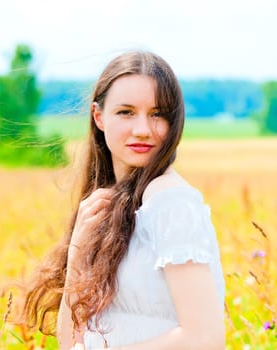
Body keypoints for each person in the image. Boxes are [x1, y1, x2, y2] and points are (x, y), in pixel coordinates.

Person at [21, 51, 225, 349]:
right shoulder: (104, 207)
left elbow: (205, 338)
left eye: (157, 114)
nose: (142, 130)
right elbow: (71, 343)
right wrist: (78, 254)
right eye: (126, 112)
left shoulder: (170, 202)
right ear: (98, 117)